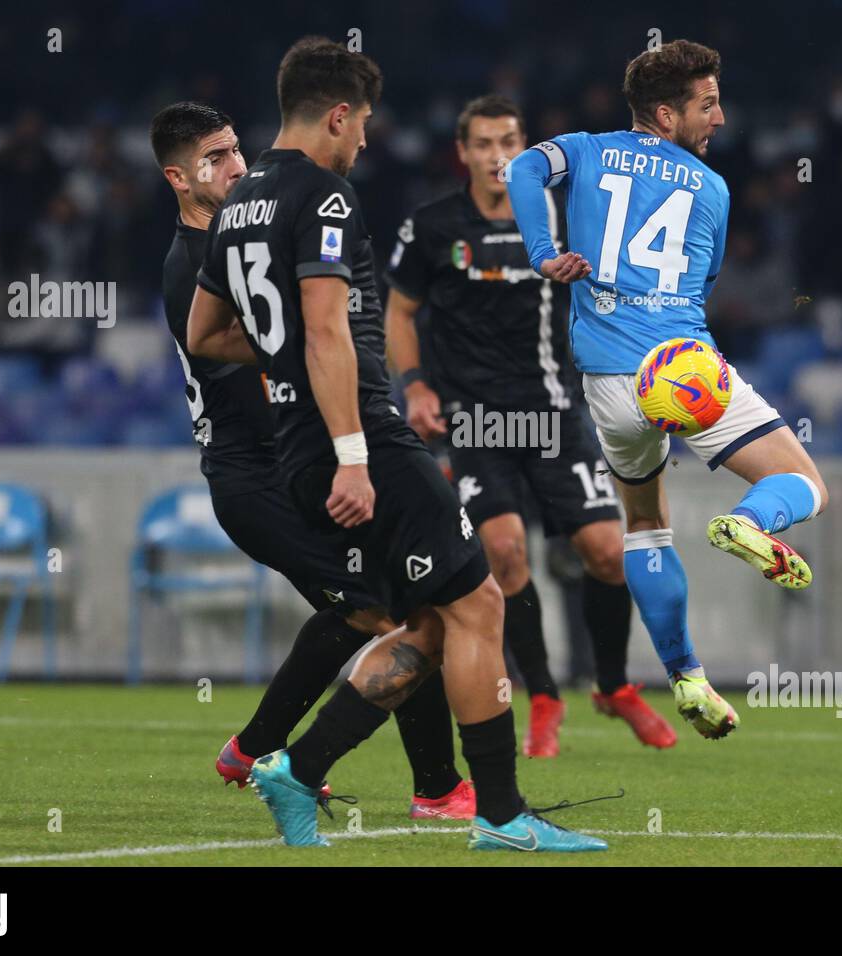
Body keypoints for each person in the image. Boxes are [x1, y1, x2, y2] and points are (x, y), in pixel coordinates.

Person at [186, 38, 605, 852]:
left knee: (433, 620)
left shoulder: (237, 205)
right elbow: (325, 331)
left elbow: (204, 333)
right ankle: (501, 816)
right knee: (481, 600)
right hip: (362, 441)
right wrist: (352, 450)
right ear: (338, 114)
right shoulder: (326, 196)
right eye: (364, 123)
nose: (366, 140)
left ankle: (298, 770)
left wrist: (291, 379)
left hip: (293, 447)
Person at [150, 100, 472, 820]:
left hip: (287, 463)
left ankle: (268, 753)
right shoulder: (190, 266)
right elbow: (253, 369)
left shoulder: (238, 236)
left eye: (236, 149)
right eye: (216, 158)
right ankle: (423, 786)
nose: (237, 165)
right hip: (253, 476)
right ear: (178, 177)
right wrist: (329, 372)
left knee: (394, 606)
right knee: (386, 613)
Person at [506, 39, 829, 739]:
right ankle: (751, 521)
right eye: (706, 104)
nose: (718, 118)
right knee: (805, 483)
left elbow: (523, 168)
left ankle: (687, 676)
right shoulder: (712, 188)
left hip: (610, 386)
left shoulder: (584, 151)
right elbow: (702, 286)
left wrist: (541, 252)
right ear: (664, 111)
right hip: (683, 368)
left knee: (646, 524)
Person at [385, 94, 676, 754]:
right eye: (483, 144)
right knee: (506, 553)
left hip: (552, 414)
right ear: (462, 152)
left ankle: (612, 685)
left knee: (608, 552)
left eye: (509, 141)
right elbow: (399, 314)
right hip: (477, 422)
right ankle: (543, 694)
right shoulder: (431, 228)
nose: (497, 156)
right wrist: (416, 386)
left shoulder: (564, 221)